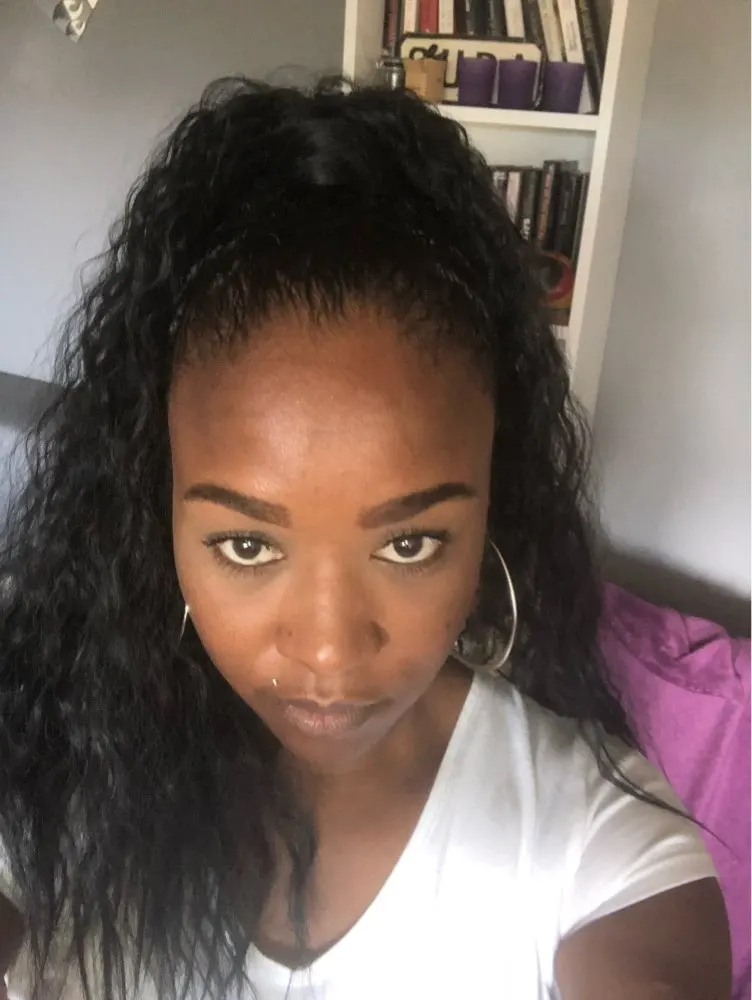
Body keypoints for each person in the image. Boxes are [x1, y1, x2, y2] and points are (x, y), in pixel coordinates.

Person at [0, 78, 731, 1000]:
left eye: (409, 544)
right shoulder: (44, 761)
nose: (329, 652)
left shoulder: (600, 854)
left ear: (491, 511)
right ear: (159, 520)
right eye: (248, 546)